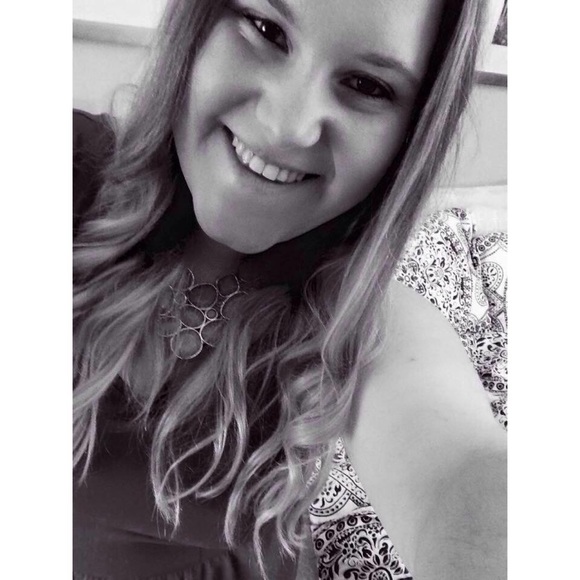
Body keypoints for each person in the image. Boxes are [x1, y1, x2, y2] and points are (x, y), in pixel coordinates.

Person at [73, 0, 506, 578]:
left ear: (411, 134)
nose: (287, 126)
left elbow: (462, 476)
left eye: (366, 85)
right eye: (266, 30)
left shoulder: (362, 317)